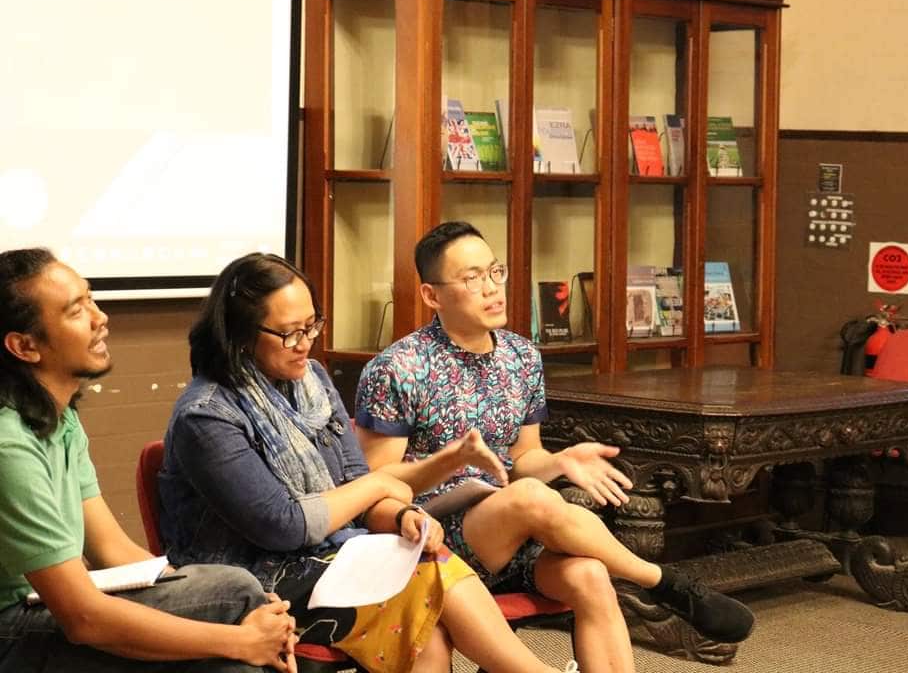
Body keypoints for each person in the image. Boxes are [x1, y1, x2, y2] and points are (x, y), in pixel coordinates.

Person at [355, 222, 756, 673]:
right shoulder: (397, 368)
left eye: (495, 272)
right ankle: (661, 581)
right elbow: (378, 484)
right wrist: (452, 463)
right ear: (432, 295)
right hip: (432, 542)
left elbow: (525, 458)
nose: (491, 289)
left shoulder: (522, 356)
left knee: (588, 574)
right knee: (528, 498)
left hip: (512, 531)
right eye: (471, 279)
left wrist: (560, 461)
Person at [157, 252, 575, 673]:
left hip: (335, 554)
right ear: (241, 336)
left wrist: (400, 518)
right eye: (289, 334)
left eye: (312, 326)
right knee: (424, 588)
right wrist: (378, 488)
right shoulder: (208, 415)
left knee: (427, 588)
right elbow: (283, 525)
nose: (306, 344)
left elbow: (354, 478)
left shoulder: (312, 381)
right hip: (256, 580)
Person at [0, 248, 298, 673]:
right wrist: (239, 638)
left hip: (50, 612)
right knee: (234, 610)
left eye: (91, 299)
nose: (99, 317)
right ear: (24, 346)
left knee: (233, 608)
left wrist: (206, 607)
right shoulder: (9, 446)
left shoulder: (61, 419)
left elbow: (111, 550)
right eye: (75, 310)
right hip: (10, 631)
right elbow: (82, 618)